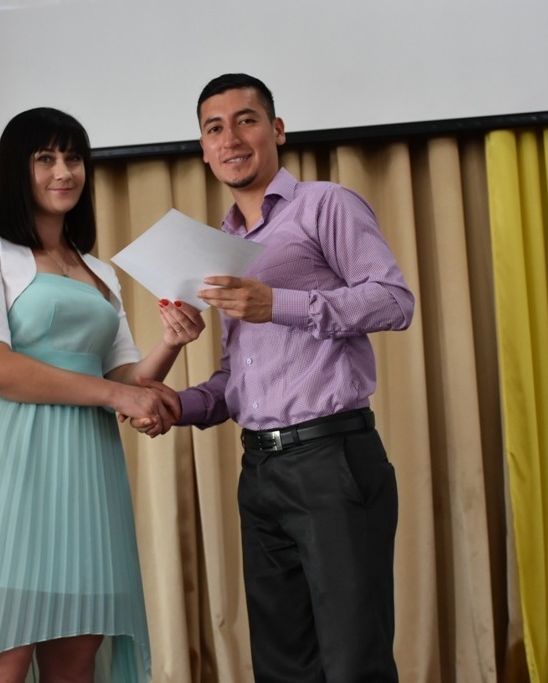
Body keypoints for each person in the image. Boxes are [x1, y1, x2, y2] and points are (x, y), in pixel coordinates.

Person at [134, 74, 415, 682]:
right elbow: (238, 377)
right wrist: (179, 405)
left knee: (353, 665)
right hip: (259, 473)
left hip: (332, 462)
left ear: (277, 129)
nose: (231, 138)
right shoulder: (220, 246)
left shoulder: (326, 204)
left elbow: (395, 301)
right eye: (215, 128)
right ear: (204, 149)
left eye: (246, 120)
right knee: (283, 669)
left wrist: (278, 303)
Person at [0, 107, 204, 683]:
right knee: (6, 655)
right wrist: (116, 396)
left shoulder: (99, 271)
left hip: (87, 466)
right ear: (18, 169)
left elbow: (128, 378)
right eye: (46, 158)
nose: (64, 172)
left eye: (74, 157)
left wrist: (171, 342)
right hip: (12, 461)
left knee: (76, 656)